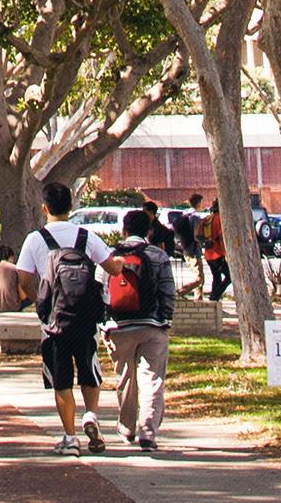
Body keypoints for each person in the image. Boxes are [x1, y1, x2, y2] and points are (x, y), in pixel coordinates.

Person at [16, 182, 126, 456]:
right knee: (89, 372)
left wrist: (42, 305)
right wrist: (121, 263)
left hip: (53, 323)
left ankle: (70, 437)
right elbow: (112, 268)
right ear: (72, 206)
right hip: (85, 321)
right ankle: (91, 414)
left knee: (61, 380)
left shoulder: (35, 239)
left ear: (44, 208)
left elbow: (23, 279)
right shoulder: (86, 237)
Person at [106, 210, 177, 452]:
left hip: (119, 327)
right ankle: (148, 432)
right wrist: (166, 318)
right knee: (152, 378)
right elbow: (168, 290)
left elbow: (100, 290)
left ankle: (126, 427)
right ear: (149, 231)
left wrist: (104, 323)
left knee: (125, 377)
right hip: (152, 326)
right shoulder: (158, 255)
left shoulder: (111, 255)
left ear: (123, 231)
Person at [202, 203, 230, 301]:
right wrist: (226, 253)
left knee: (216, 277)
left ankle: (214, 299)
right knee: (229, 276)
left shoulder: (207, 219)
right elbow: (222, 238)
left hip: (208, 254)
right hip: (218, 254)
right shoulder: (221, 220)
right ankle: (215, 296)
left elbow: (197, 235)